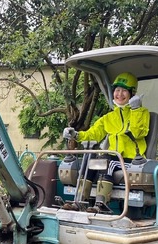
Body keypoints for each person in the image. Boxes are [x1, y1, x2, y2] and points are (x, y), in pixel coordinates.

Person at [63, 72, 150, 211]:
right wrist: (76, 135)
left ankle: (101, 204)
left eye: (124, 90)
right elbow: (93, 134)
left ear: (132, 94)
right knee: (90, 156)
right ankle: (79, 201)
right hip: (114, 157)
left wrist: (136, 110)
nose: (119, 94)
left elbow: (138, 132)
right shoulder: (109, 117)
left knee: (106, 160)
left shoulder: (142, 112)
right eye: (117, 90)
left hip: (132, 161)